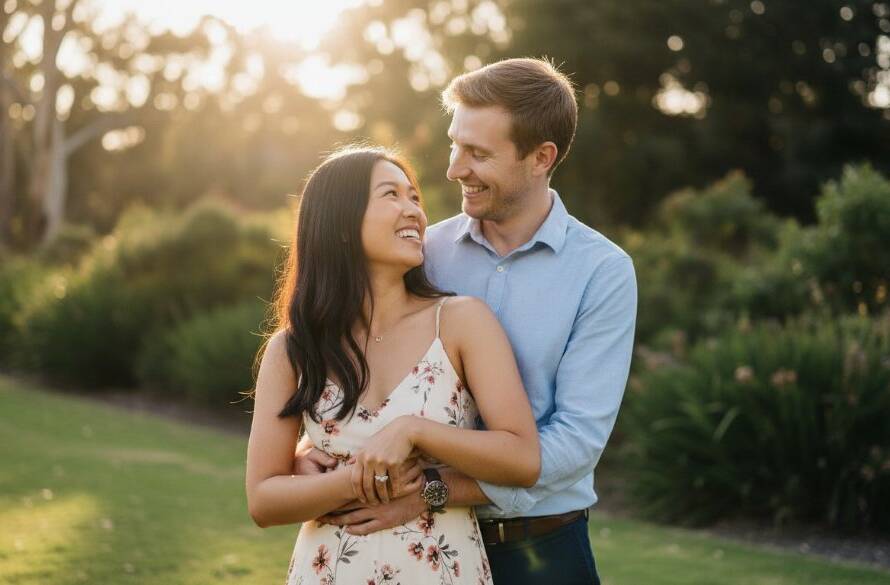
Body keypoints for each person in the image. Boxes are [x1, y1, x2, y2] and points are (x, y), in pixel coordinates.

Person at [303, 58, 638, 585]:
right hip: (416, 550)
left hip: (543, 549)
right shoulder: (420, 252)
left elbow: (575, 442)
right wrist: (315, 451)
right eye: (456, 143)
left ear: (540, 158)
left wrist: (432, 492)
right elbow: (360, 367)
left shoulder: (602, 272)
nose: (454, 168)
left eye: (478, 153)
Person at [245, 145, 540, 585]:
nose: (414, 212)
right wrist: (356, 481)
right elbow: (264, 501)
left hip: (440, 569)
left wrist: (413, 430)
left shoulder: (461, 322)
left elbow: (522, 458)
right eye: (391, 195)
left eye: (414, 198)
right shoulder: (293, 349)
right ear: (341, 222)